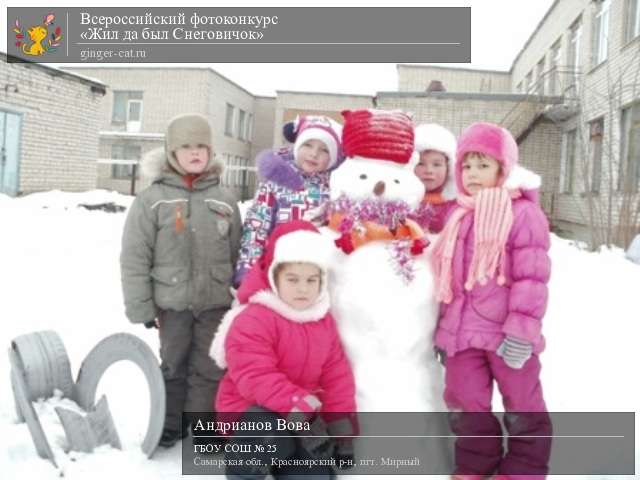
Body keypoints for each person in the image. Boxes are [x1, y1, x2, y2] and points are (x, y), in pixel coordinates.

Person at [430, 122, 553, 479]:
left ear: (504, 168)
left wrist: (522, 333)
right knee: (465, 405)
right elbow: (449, 280)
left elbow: (533, 277)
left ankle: (523, 471)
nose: (472, 174)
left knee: (524, 407)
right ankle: (474, 466)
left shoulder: (523, 213)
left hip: (507, 336)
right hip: (464, 336)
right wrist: (446, 332)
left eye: (483, 165)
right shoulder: (459, 215)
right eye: (466, 166)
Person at [120, 113, 242, 447]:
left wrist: (237, 298)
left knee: (210, 367)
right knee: (173, 365)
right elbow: (134, 257)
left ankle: (203, 428)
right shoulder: (152, 200)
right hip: (171, 303)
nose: (195, 153)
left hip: (215, 303)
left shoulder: (225, 199)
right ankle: (169, 423)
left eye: (202, 146)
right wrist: (142, 307)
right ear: (171, 152)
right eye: (186, 146)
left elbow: (236, 253)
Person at [210, 220, 357, 479]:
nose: (303, 288)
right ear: (274, 277)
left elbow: (337, 377)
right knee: (265, 432)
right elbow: (255, 378)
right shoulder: (254, 319)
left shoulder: (323, 322)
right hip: (252, 414)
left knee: (314, 475)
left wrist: (340, 429)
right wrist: (305, 414)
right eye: (293, 279)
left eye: (312, 280)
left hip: (302, 423)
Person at [233, 115, 343, 287]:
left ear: (333, 158)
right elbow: (256, 227)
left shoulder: (337, 187)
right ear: (297, 145)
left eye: (324, 150)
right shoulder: (276, 181)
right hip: (278, 270)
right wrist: (248, 272)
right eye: (308, 145)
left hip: (318, 274)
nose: (314, 154)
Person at [411, 123, 458, 233]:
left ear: (449, 168)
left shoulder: (456, 206)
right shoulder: (401, 203)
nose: (429, 170)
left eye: (437, 164)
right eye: (421, 164)